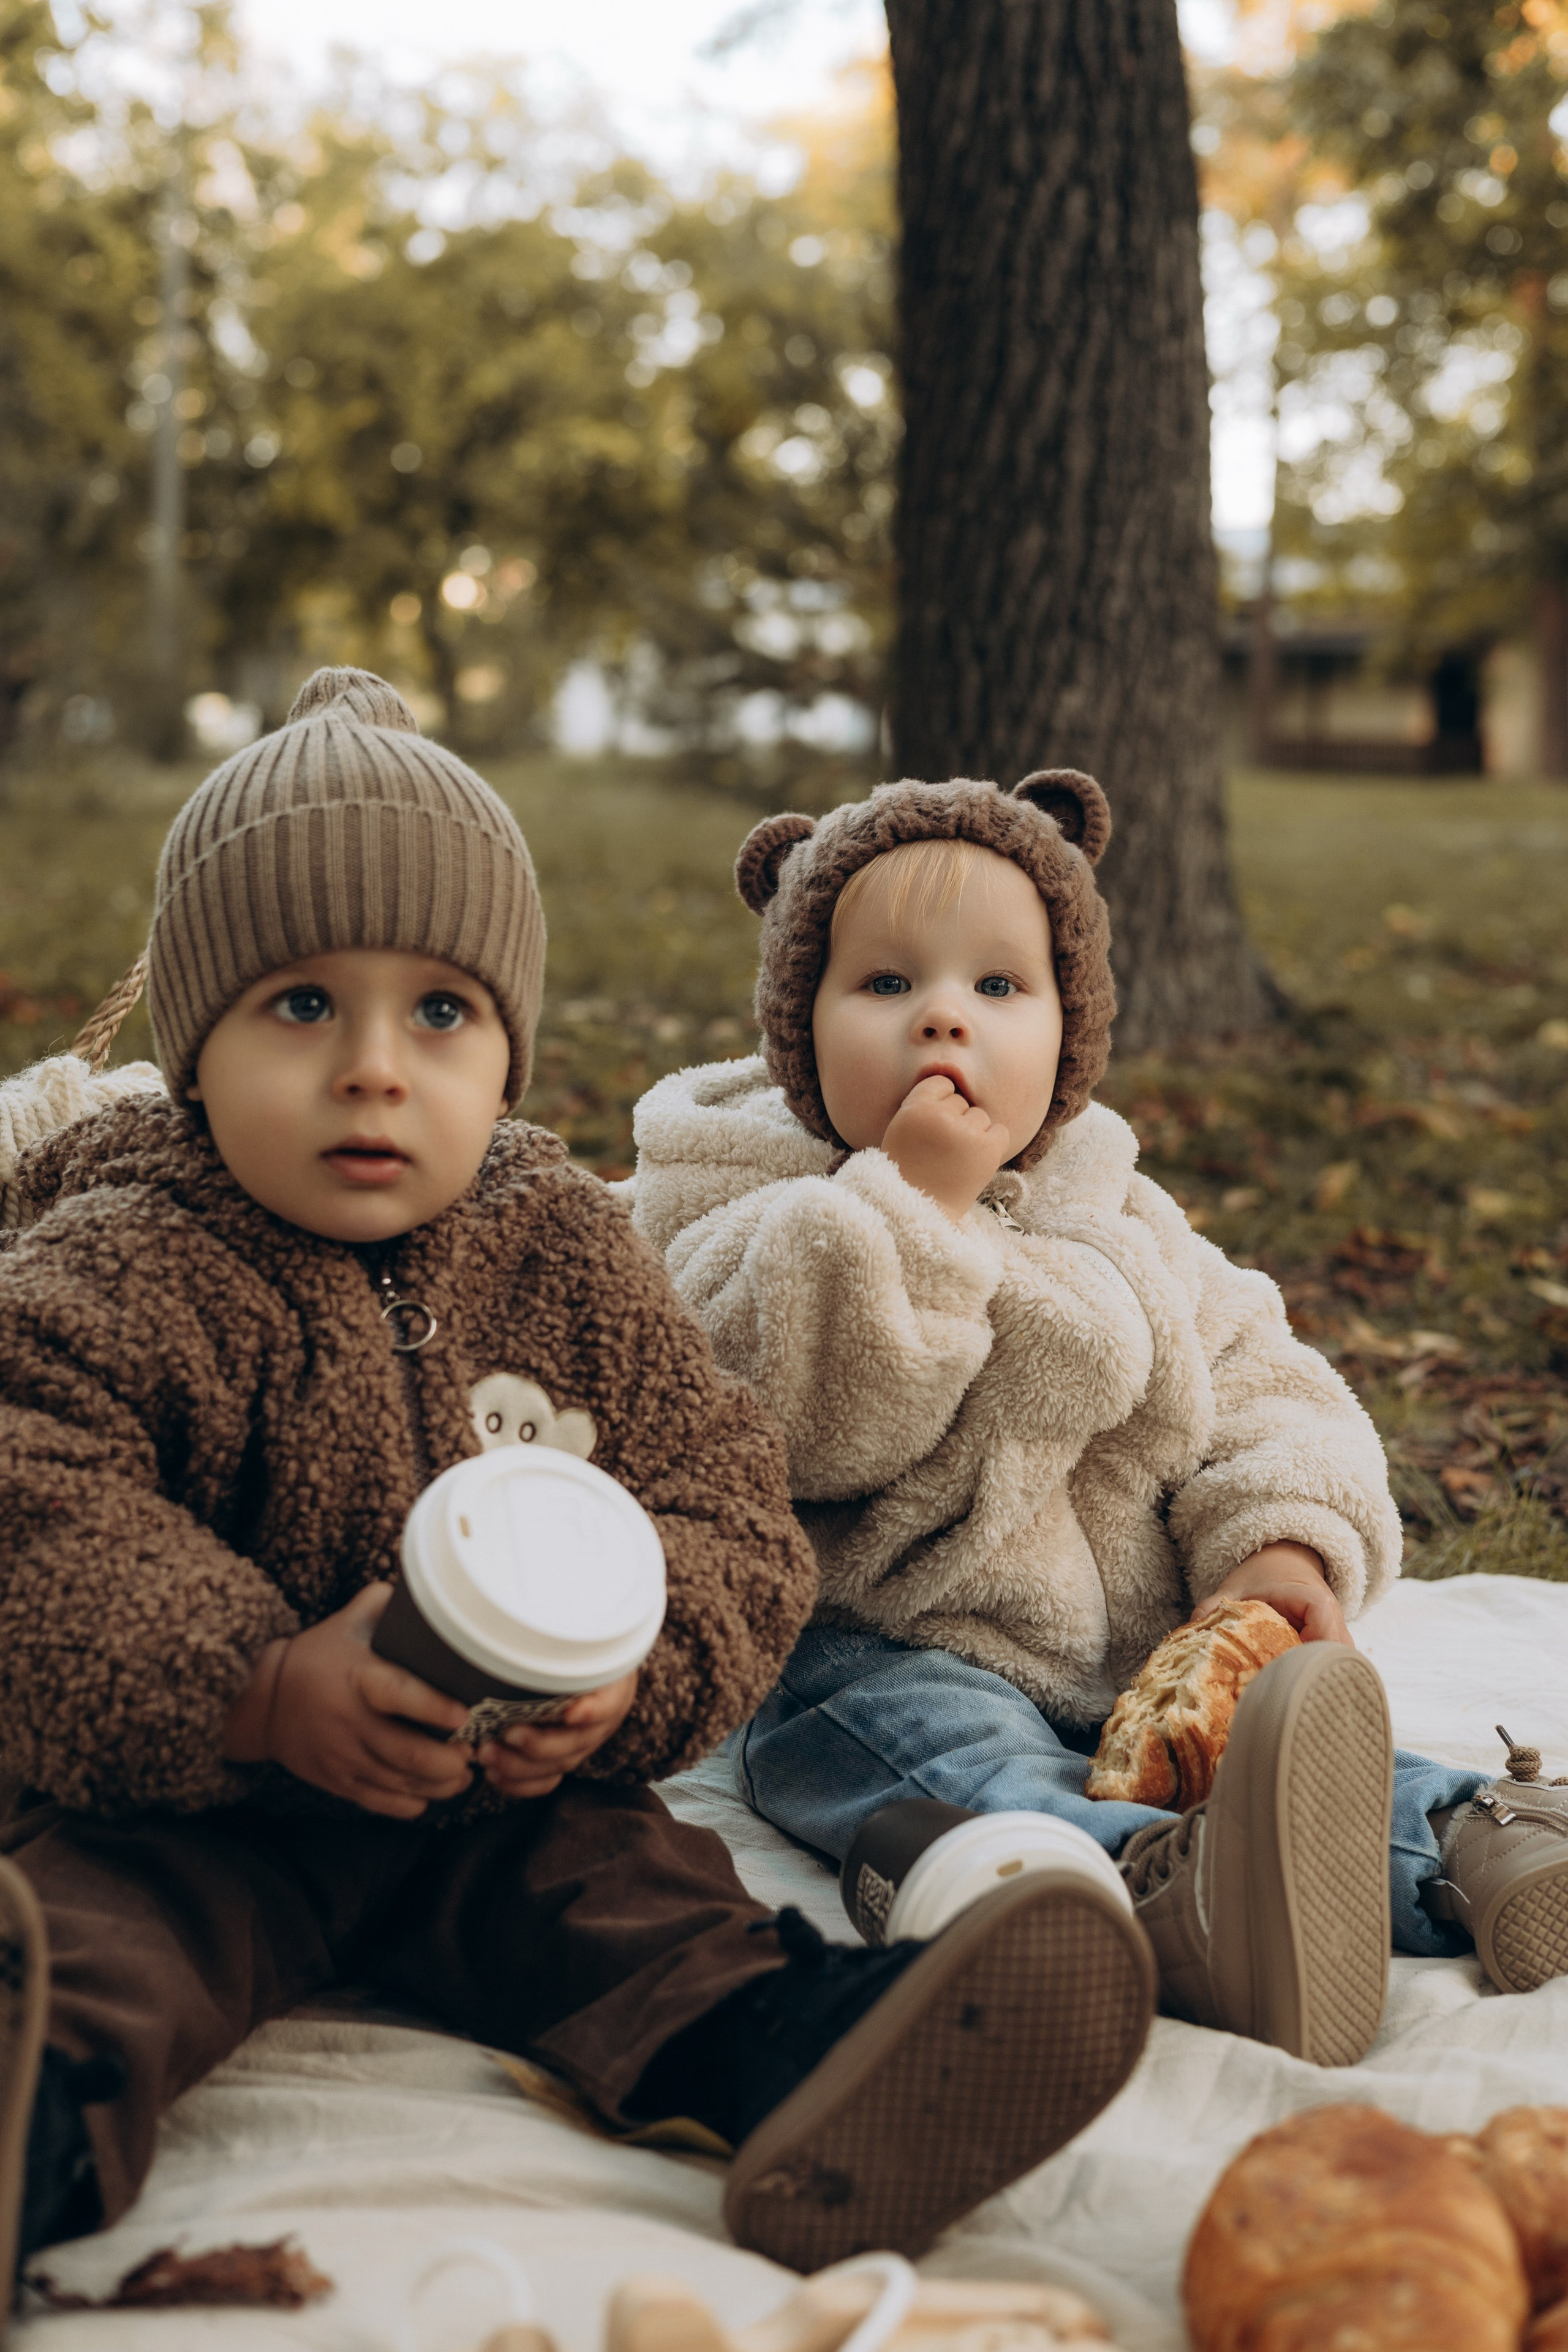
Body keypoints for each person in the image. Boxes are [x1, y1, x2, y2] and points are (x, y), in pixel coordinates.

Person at [0, 684, 1159, 2307]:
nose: (376, 1073)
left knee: (646, 1904)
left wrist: (625, 1681)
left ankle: (813, 2060)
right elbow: (29, 1501)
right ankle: (28, 2129)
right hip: (189, 1801)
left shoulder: (554, 1246)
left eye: (443, 1015)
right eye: (302, 1009)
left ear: (510, 1041)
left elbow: (726, 1505)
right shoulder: (121, 1256)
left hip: (497, 1795)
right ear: (192, 1049)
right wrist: (253, 1689)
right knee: (88, 1959)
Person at [627, 768, 1568, 2067]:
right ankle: (1163, 1898)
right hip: (871, 1644)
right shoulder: (743, 1213)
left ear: (1068, 1030)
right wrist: (906, 1209)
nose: (943, 1021)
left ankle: (1478, 1845)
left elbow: (1262, 1381)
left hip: (1136, 1651)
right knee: (929, 1769)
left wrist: (1278, 1546)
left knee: (1275, 1765)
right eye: (886, 985)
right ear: (798, 1025)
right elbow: (786, 1423)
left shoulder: (1112, 1213)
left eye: (997, 988)